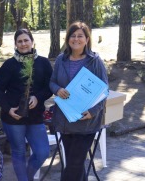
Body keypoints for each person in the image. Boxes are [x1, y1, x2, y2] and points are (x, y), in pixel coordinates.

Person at [49, 21, 108, 181]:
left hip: (86, 121)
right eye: (73, 36)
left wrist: (93, 112)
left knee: (74, 165)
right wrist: (57, 89)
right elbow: (52, 82)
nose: (76, 39)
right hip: (65, 121)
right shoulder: (61, 60)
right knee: (76, 164)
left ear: (87, 39)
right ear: (68, 39)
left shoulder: (94, 61)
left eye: (80, 36)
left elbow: (104, 90)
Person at [0, 28, 53, 181]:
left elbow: (49, 87)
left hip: (35, 117)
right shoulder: (9, 65)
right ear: (15, 44)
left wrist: (37, 98)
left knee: (42, 152)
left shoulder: (43, 63)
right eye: (19, 41)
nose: (23, 44)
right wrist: (8, 109)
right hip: (13, 117)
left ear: (32, 42)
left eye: (26, 40)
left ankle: (26, 177)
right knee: (19, 151)